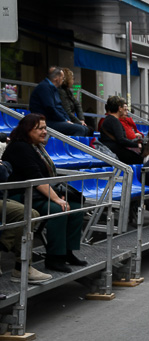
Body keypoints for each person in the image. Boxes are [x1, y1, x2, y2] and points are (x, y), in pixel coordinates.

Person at [3, 114, 86, 274]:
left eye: (45, 128)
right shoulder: (20, 147)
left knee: (76, 208)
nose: (44, 131)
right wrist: (56, 199)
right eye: (39, 128)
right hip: (18, 196)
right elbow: (36, 178)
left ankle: (68, 252)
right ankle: (54, 258)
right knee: (57, 209)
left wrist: (57, 195)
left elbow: (46, 179)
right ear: (27, 130)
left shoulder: (36, 147)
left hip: (36, 194)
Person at [28, 67, 89, 136]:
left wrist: (67, 120)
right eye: (62, 78)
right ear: (56, 78)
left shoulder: (54, 89)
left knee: (85, 129)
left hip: (55, 120)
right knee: (80, 129)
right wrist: (64, 120)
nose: (63, 80)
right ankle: (70, 147)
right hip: (46, 121)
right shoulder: (44, 87)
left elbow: (60, 107)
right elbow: (50, 108)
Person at [99, 96, 143, 164]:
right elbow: (121, 140)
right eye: (124, 108)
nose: (126, 111)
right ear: (119, 108)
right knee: (139, 159)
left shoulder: (109, 119)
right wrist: (137, 145)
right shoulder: (114, 121)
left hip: (110, 148)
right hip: (114, 150)